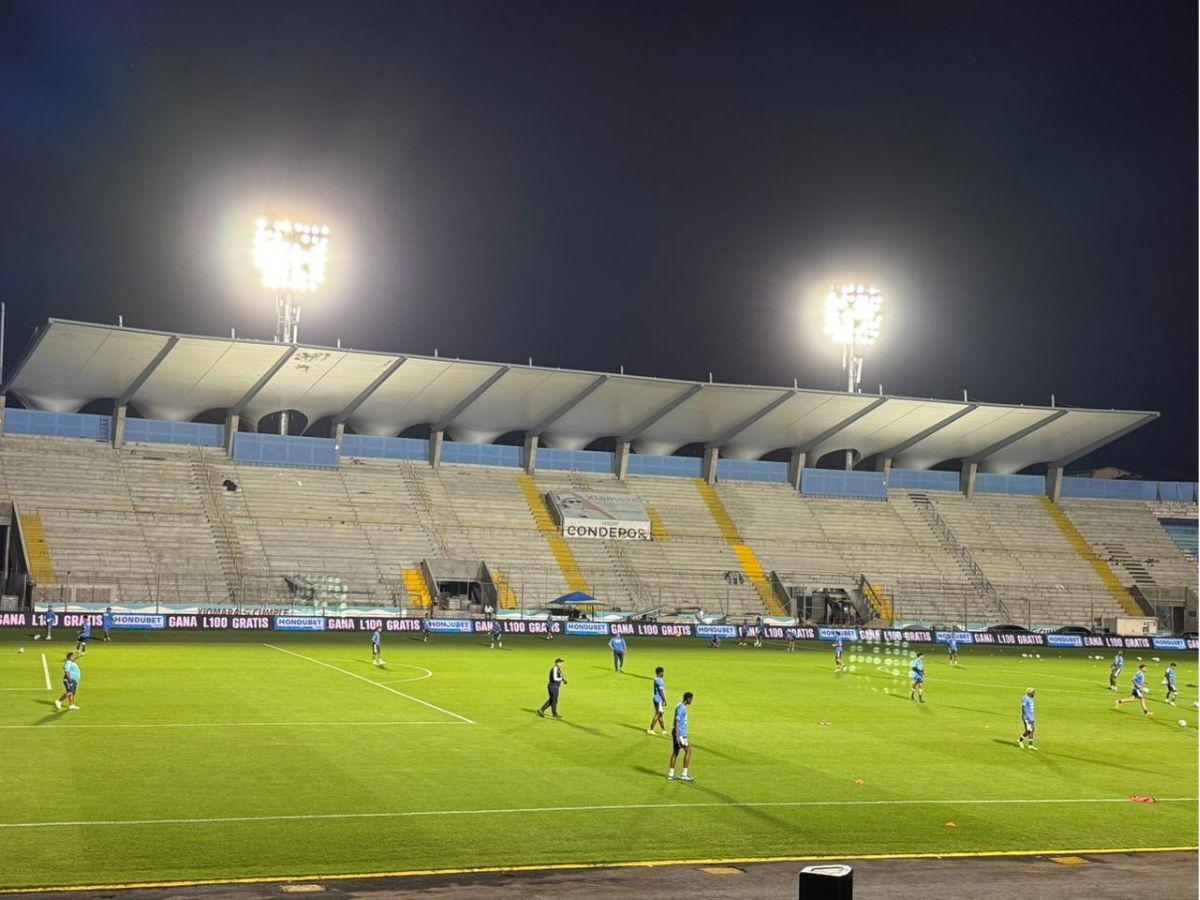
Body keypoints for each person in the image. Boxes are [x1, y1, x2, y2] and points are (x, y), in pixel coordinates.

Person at [668, 692, 694, 781]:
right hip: (681, 734)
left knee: (675, 752)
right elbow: (677, 721)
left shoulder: (679, 705)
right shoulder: (681, 708)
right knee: (689, 751)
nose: (691, 701)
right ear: (688, 699)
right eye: (691, 699)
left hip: (677, 733)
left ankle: (671, 774)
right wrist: (677, 736)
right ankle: (684, 774)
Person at [648, 666, 668, 734]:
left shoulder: (656, 679)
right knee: (658, 713)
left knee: (660, 714)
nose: (663, 674)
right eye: (663, 672)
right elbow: (661, 691)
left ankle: (663, 730)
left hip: (657, 698)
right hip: (659, 699)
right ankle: (651, 729)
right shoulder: (659, 681)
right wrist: (664, 700)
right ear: (660, 672)